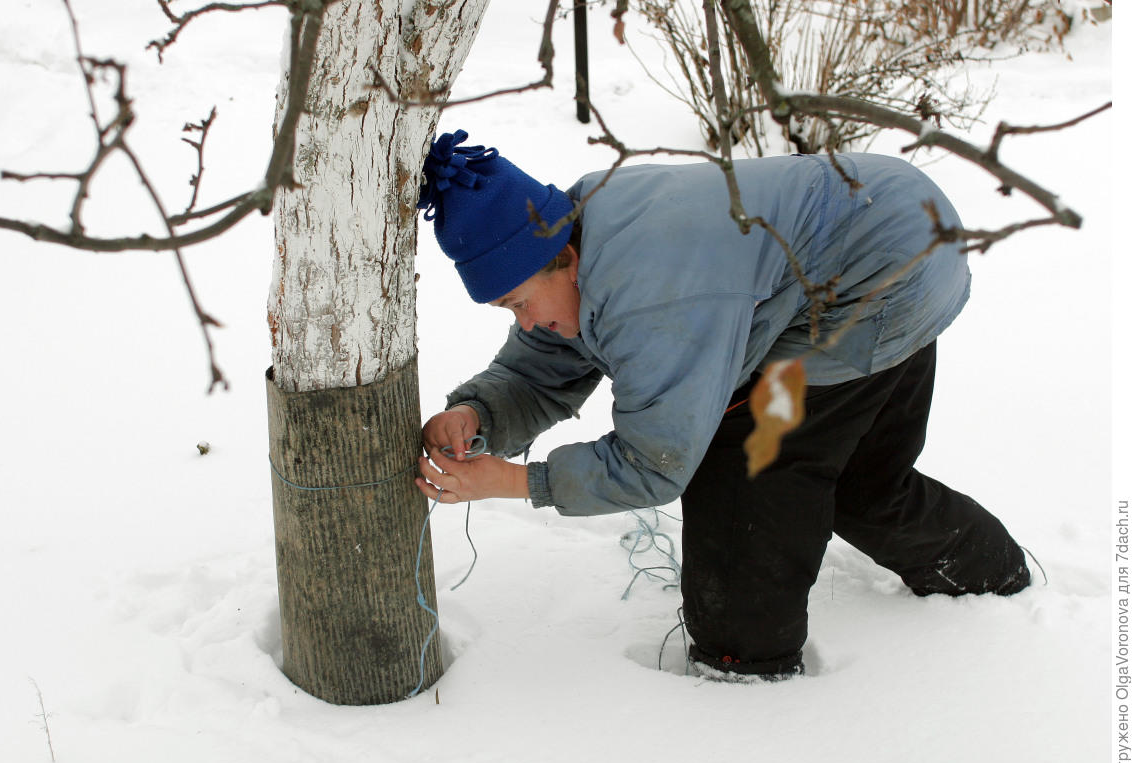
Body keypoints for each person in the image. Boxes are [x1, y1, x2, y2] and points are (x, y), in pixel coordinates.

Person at [413, 129, 1030, 682]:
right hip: (895, 219)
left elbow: (654, 461)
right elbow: (545, 361)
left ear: (566, 259)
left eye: (521, 304)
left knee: (746, 470)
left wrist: (520, 481)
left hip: (879, 280)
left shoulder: (654, 293)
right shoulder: (568, 231)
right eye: (510, 312)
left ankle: (743, 668)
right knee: (864, 482)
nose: (528, 322)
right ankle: (994, 576)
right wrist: (479, 415)